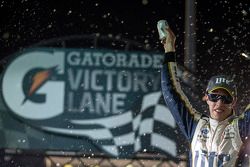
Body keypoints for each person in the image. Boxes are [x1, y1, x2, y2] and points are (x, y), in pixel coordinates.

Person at [159, 23, 250, 166]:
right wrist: (169, 48)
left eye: (226, 98)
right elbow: (170, 91)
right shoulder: (195, 125)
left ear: (234, 102)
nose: (219, 103)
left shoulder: (241, 127)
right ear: (206, 97)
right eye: (214, 96)